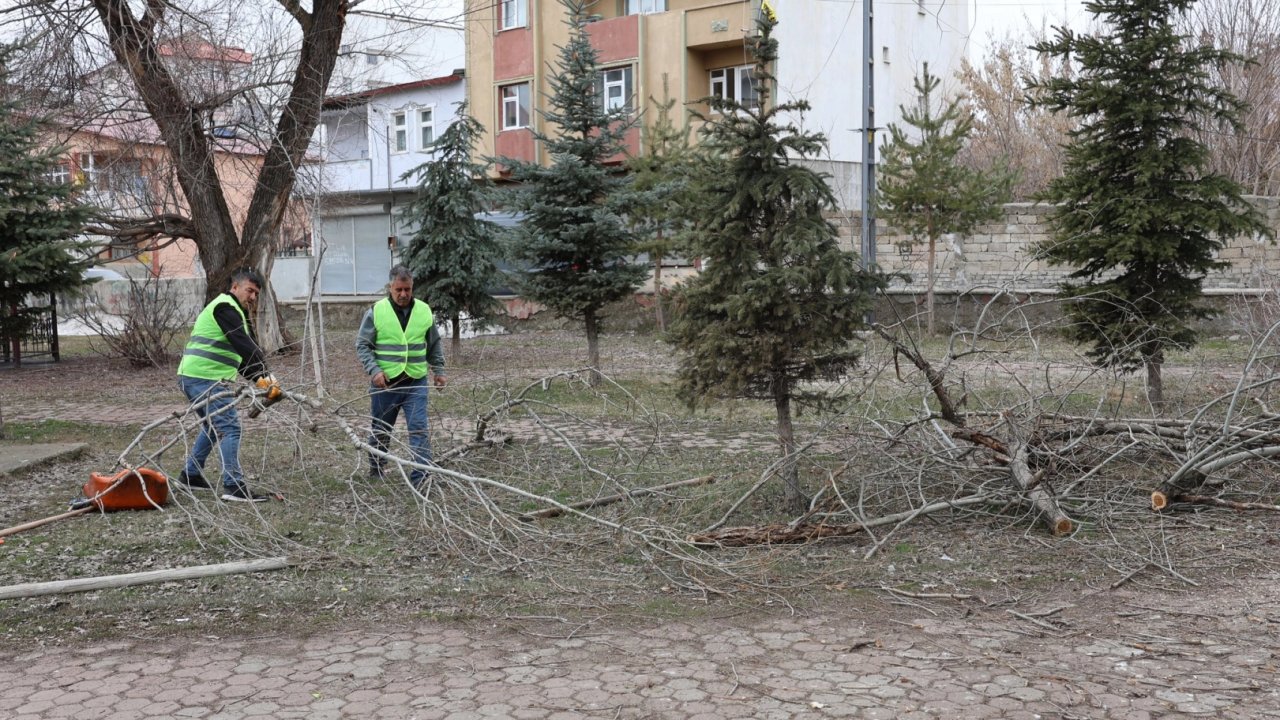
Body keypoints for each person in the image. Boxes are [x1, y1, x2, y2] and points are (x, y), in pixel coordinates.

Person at [175, 267, 278, 502]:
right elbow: (245, 345)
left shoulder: (233, 313)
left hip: (196, 376)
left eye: (256, 294)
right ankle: (233, 486)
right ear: (235, 287)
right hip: (204, 378)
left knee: (213, 427)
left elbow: (241, 358)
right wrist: (268, 377)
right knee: (230, 427)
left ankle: (190, 475)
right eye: (249, 291)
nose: (252, 297)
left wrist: (263, 381)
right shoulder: (225, 307)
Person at [355, 265, 446, 489]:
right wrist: (374, 370)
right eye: (399, 290)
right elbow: (362, 345)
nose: (404, 294)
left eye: (407, 289)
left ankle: (421, 478)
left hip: (416, 382)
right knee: (381, 429)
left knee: (418, 428)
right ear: (390, 287)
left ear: (412, 287)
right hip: (386, 385)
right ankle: (376, 467)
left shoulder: (424, 311)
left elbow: (433, 343)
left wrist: (439, 371)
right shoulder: (376, 311)